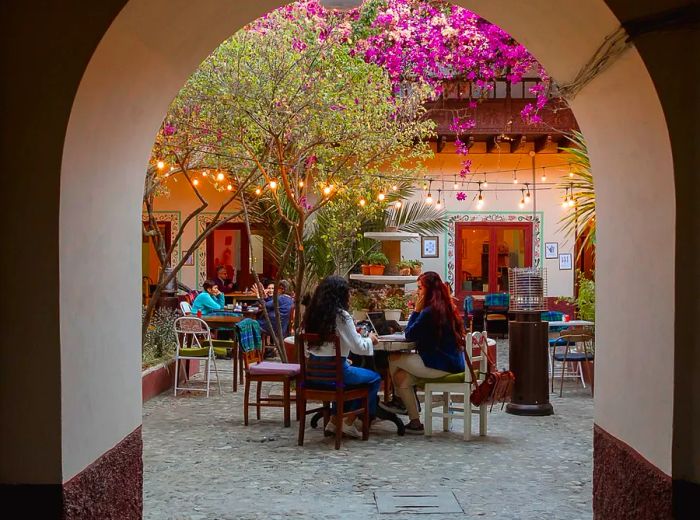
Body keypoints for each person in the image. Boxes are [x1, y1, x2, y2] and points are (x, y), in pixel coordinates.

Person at [381, 271, 466, 434]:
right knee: (401, 378)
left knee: (393, 357)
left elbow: (409, 335)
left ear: (429, 290)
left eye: (420, 288)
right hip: (451, 362)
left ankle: (398, 400)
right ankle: (415, 423)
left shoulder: (428, 312)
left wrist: (416, 310)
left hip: (440, 364)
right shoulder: (446, 307)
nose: (417, 292)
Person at [303, 275, 381, 438]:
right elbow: (358, 347)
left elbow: (311, 347)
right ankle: (349, 421)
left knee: (348, 376)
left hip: (313, 373)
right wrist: (370, 340)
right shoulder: (342, 316)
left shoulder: (312, 314)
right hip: (336, 374)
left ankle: (334, 420)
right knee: (374, 378)